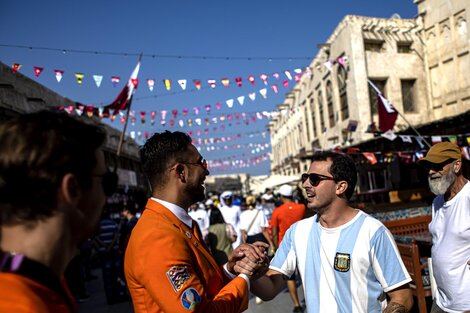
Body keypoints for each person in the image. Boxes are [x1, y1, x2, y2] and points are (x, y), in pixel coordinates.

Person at [124, 131, 269, 313]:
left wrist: (231, 269)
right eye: (201, 163)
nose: (206, 170)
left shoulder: (176, 223)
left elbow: (203, 287)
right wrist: (245, 276)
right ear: (181, 172)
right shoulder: (157, 236)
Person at [250, 151, 413, 313]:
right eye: (305, 178)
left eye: (314, 179)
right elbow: (269, 290)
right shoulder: (297, 232)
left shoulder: (373, 231)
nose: (306, 184)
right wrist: (253, 273)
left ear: (340, 187)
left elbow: (402, 297)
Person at [0, 110, 117, 313]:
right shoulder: (22, 305)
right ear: (72, 190)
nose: (106, 197)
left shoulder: (39, 280)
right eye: (107, 183)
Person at [418, 142, 470, 313]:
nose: (432, 171)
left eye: (438, 166)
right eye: (429, 166)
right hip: (441, 300)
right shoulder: (437, 202)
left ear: (457, 165)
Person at [270, 184, 306, 313]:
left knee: (290, 278)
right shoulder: (302, 207)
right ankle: (310, 299)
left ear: (281, 196)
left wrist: (275, 248)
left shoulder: (277, 211)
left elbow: (274, 232)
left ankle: (297, 305)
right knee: (305, 276)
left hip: (285, 248)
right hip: (303, 245)